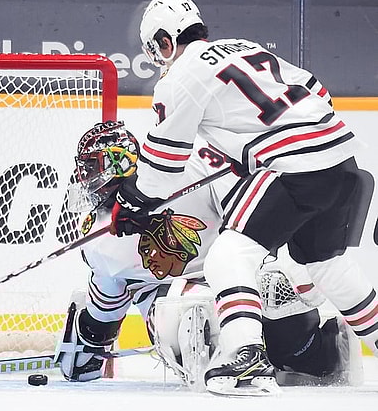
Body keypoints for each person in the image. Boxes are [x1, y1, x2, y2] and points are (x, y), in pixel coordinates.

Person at [109, 0, 373, 396]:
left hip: (297, 169)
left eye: (155, 50)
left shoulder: (179, 78)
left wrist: (132, 202)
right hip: (341, 159)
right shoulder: (247, 47)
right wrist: (257, 145)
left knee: (229, 254)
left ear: (165, 41)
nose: (159, 60)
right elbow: (318, 92)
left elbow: (163, 166)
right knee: (326, 265)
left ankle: (246, 354)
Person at [54, 121, 360, 391]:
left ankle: (321, 349)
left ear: (118, 163)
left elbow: (255, 220)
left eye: (91, 167)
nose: (84, 177)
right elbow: (108, 305)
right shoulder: (100, 235)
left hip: (231, 275)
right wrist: (90, 339)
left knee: (274, 291)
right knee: (180, 314)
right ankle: (221, 362)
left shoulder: (191, 166)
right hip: (171, 296)